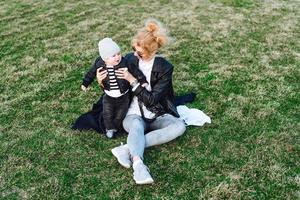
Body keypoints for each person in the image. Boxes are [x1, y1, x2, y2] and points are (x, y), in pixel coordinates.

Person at [96, 19, 186, 184]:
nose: (135, 54)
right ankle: (138, 165)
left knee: (179, 126)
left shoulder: (165, 68)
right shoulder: (128, 60)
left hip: (156, 112)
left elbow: (152, 100)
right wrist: (101, 82)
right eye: (133, 50)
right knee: (136, 126)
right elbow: (113, 88)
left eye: (140, 53)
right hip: (132, 113)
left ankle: (126, 149)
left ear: (152, 51)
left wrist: (133, 81)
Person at [81, 38, 147, 138]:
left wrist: (142, 80)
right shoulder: (99, 64)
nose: (117, 57)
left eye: (118, 53)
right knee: (107, 113)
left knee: (121, 114)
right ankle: (109, 128)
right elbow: (91, 73)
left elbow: (135, 71)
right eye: (113, 56)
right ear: (105, 58)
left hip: (123, 96)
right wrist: (85, 83)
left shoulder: (124, 62)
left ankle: (115, 127)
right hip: (108, 96)